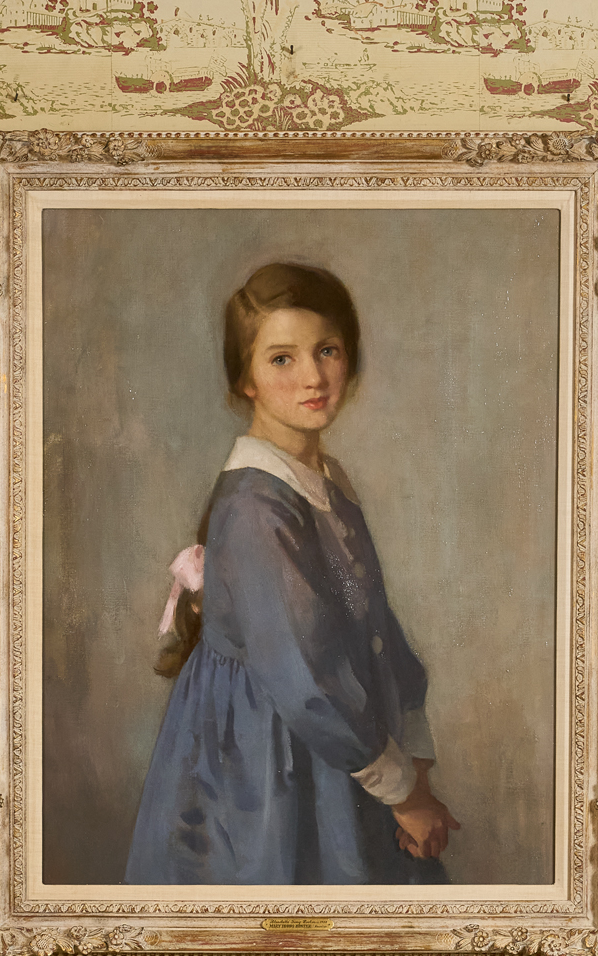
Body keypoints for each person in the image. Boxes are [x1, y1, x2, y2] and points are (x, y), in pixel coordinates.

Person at [125, 259, 460, 886]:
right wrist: (406, 794)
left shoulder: (328, 483)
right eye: (281, 358)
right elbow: (305, 679)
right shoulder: (255, 506)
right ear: (246, 379)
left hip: (342, 745)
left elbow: (377, 627)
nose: (312, 376)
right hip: (266, 770)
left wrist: (414, 760)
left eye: (327, 350)